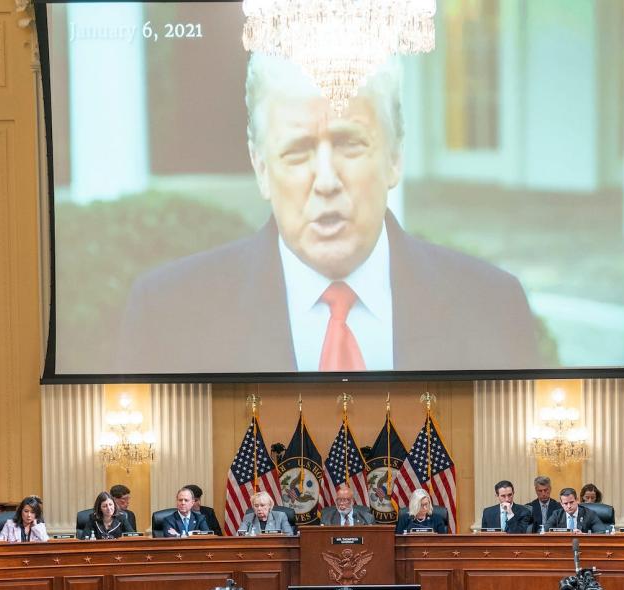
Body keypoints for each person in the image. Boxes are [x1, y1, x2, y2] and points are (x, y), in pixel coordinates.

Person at [115, 54, 541, 374]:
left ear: (394, 157)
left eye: (348, 143)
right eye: (297, 151)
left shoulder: (493, 304)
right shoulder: (167, 312)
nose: (326, 180)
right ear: (261, 168)